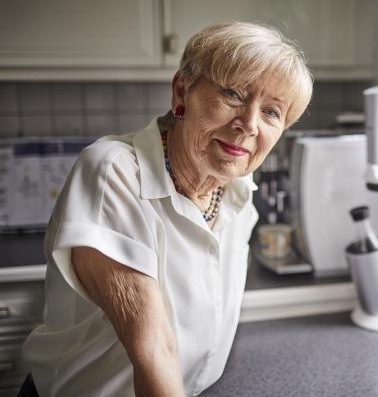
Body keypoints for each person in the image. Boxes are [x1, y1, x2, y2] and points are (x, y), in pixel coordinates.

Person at [19, 21, 313, 396]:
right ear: (181, 91)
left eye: (272, 112)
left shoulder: (238, 187)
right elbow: (154, 348)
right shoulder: (115, 171)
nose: (249, 124)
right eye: (234, 94)